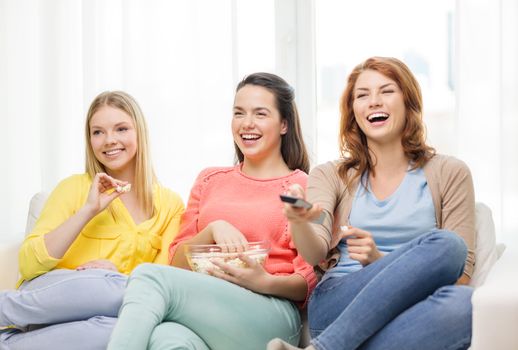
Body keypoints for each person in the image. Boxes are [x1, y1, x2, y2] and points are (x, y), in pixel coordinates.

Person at [268, 57, 475, 350]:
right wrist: (300, 221)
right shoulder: (330, 175)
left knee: (458, 281)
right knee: (450, 247)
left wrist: (383, 262)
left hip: (410, 307)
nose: (374, 102)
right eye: (362, 95)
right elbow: (315, 250)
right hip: (339, 299)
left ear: (408, 102)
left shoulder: (450, 172)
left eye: (387, 91)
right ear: (353, 111)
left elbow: (460, 275)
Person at [107, 72, 318, 350]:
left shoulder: (301, 186)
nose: (247, 123)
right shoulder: (209, 180)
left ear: (284, 124)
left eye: (261, 114)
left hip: (270, 312)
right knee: (166, 338)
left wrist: (262, 281)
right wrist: (212, 229)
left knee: (147, 276)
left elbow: (309, 280)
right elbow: (177, 264)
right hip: (211, 309)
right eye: (239, 113)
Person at [0, 91, 184, 350]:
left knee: (121, 328)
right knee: (105, 287)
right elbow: (29, 265)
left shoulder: (170, 205)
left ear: (139, 133)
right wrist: (88, 210)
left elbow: (161, 283)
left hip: (110, 312)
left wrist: (118, 277)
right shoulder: (74, 187)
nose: (109, 141)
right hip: (49, 298)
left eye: (121, 129)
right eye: (98, 132)